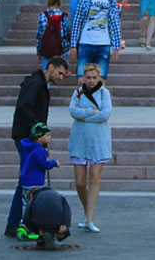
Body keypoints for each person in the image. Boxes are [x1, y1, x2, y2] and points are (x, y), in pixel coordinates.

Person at [6, 58, 69, 239]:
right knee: (26, 183)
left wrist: (42, 141)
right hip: (27, 138)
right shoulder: (35, 83)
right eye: (59, 73)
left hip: (29, 138)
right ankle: (16, 224)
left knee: (24, 182)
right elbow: (24, 107)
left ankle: (16, 223)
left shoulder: (38, 83)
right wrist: (39, 134)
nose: (61, 78)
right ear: (50, 67)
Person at [68, 63, 112, 232]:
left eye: (94, 78)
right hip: (80, 140)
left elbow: (106, 114)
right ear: (83, 78)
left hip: (99, 140)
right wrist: (91, 112)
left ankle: (90, 219)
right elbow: (73, 111)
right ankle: (87, 212)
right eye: (88, 78)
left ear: (99, 78)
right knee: (79, 182)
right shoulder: (77, 92)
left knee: (95, 178)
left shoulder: (104, 93)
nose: (91, 81)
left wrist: (84, 115)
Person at [69, 0, 121, 75]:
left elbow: (115, 25)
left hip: (104, 43)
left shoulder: (111, 1)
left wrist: (116, 46)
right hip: (86, 42)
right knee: (81, 77)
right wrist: (73, 45)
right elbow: (77, 23)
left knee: (101, 78)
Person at [17, 122, 59, 241]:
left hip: (26, 180)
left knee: (26, 203)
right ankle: (27, 225)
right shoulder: (38, 150)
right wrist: (54, 163)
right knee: (33, 205)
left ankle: (24, 225)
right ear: (40, 137)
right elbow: (43, 164)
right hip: (35, 181)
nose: (50, 138)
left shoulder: (28, 147)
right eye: (48, 135)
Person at [36, 0, 70, 71]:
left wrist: (39, 52)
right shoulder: (63, 16)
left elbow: (39, 35)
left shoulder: (43, 15)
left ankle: (46, 82)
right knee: (60, 69)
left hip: (46, 47)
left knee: (46, 70)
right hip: (60, 47)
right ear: (58, 3)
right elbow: (65, 33)